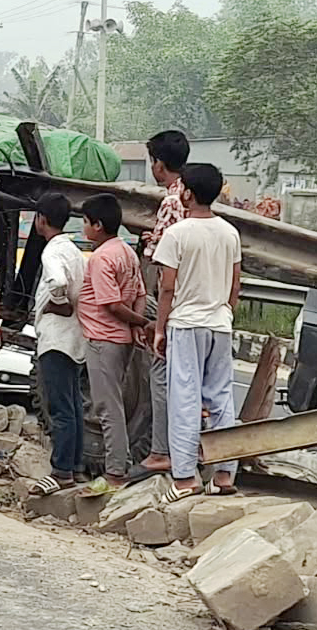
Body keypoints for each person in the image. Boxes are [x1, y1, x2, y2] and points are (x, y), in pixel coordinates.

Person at [155, 162, 243, 499]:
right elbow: (235, 283)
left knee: (184, 398)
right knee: (221, 398)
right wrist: (225, 313)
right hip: (220, 323)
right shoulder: (229, 232)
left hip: (186, 323)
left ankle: (184, 477)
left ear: (187, 193)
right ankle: (223, 474)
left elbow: (166, 289)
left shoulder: (177, 233)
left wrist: (161, 329)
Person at [76, 194, 153, 491]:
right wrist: (137, 320)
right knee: (114, 405)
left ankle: (116, 471)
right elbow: (140, 294)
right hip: (121, 340)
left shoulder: (101, 258)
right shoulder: (127, 252)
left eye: (85, 222)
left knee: (108, 409)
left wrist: (140, 322)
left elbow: (112, 304)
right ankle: (119, 464)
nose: (84, 228)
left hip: (103, 338)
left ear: (97, 225)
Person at [135, 129, 193, 477]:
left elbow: (164, 255)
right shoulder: (190, 195)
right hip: (192, 295)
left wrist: (149, 245)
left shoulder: (172, 200)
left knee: (159, 369)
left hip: (169, 292)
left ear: (158, 164)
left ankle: (161, 449)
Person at [27, 193, 87, 493]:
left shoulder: (51, 253)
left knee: (60, 406)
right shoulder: (74, 251)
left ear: (40, 219)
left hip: (56, 338)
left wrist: (57, 304)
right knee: (73, 404)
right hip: (74, 337)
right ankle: (74, 464)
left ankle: (61, 470)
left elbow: (58, 282)